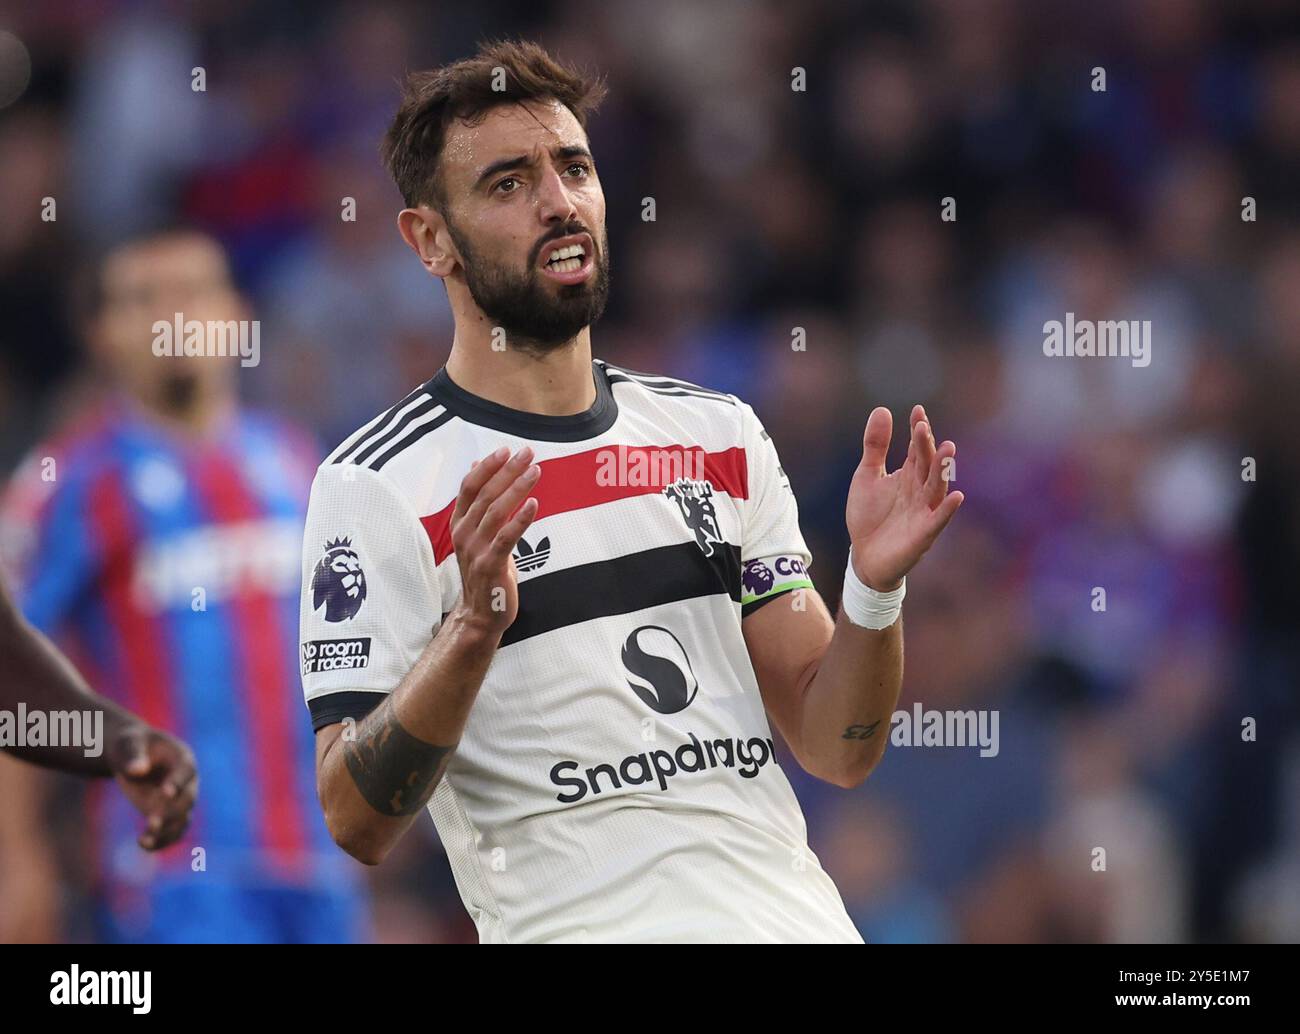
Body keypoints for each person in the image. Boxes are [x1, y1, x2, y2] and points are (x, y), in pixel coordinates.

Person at [301, 39, 962, 943]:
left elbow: (836, 746)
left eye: (574, 168)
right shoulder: (375, 486)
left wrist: (873, 593)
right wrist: (470, 635)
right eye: (508, 184)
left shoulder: (716, 435)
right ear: (430, 241)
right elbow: (354, 818)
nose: (558, 202)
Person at [0, 228, 367, 943]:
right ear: (102, 334)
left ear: (236, 316)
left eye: (194, 292)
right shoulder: (70, 481)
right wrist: (20, 861)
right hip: (172, 876)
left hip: (319, 862)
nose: (174, 317)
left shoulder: (295, 461)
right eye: (145, 300)